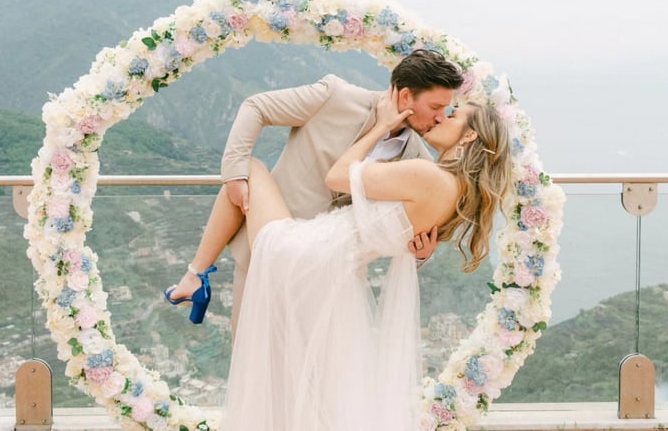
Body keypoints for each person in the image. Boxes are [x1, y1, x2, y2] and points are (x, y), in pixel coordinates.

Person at [205, 92, 512, 430]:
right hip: (338, 281)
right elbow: (404, 236)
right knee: (313, 391)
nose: (442, 117)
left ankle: (196, 271)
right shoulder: (459, 197)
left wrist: (380, 127)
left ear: (469, 136)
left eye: (452, 115)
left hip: (303, 253)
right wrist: (419, 252)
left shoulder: (428, 175)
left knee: (249, 167)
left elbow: (337, 177)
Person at [165, 49, 465, 328]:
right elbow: (257, 107)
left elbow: (405, 225)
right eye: (435, 107)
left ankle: (195, 276)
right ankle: (195, 276)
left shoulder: (418, 160)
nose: (440, 117)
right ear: (406, 96)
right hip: (268, 249)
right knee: (248, 354)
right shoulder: (336, 96)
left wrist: (420, 254)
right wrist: (234, 173)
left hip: (330, 278)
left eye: (446, 109)